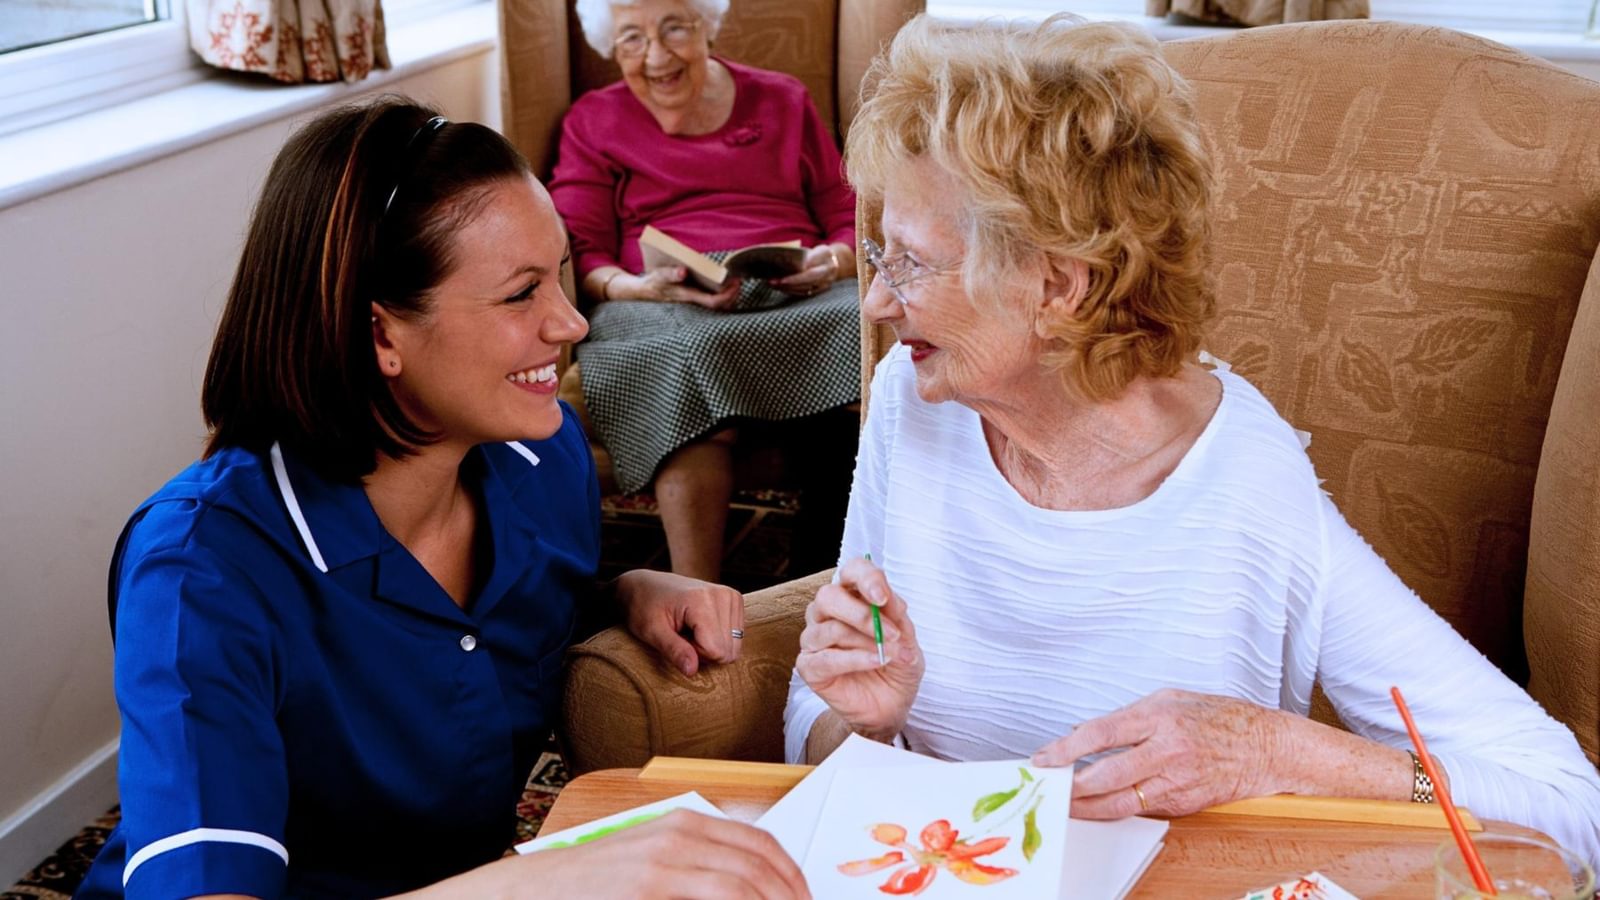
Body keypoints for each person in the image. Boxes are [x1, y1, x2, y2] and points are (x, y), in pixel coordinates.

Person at [783, 14, 1600, 868]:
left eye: (910, 262)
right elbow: (820, 712)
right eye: (879, 255)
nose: (876, 304)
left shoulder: (1239, 480)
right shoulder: (916, 399)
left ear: (1059, 286)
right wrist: (859, 723)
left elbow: (1566, 802)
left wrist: (1284, 752)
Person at [75, 97, 809, 900]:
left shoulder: (542, 455)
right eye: (521, 293)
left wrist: (621, 592)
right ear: (382, 335)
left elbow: (467, 641)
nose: (571, 323)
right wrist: (554, 878)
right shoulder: (198, 570)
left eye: (561, 273)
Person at [549, 0, 859, 582]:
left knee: (868, 323)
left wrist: (834, 261)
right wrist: (634, 287)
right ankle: (698, 598)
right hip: (661, 298)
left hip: (795, 291)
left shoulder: (782, 97)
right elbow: (580, 246)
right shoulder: (593, 120)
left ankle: (830, 578)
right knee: (675, 357)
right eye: (632, 39)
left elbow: (845, 210)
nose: (657, 56)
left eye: (674, 28)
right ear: (612, 49)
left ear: (707, 28)